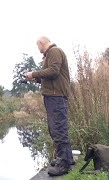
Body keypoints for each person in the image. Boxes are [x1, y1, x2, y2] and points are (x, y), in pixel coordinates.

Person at [26, 36, 74, 176]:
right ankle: (67, 157)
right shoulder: (51, 54)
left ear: (42, 44)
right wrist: (37, 78)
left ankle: (63, 164)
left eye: (38, 47)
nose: (38, 50)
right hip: (53, 96)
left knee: (58, 128)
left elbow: (53, 71)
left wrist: (33, 73)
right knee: (57, 128)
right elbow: (51, 75)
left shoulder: (54, 51)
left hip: (56, 97)